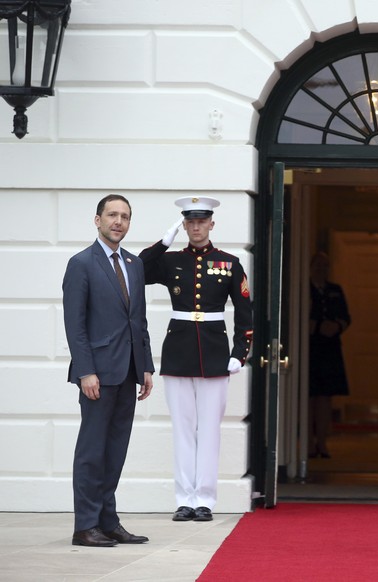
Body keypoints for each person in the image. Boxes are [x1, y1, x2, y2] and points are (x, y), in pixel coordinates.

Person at [140, 196, 253, 523]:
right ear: (184, 225)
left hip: (215, 355)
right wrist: (163, 242)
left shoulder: (229, 263)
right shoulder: (171, 260)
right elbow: (138, 269)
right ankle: (184, 499)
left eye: (201, 221)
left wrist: (238, 354)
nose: (196, 227)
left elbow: (245, 315)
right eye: (190, 222)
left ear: (211, 224)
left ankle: (204, 499)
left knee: (209, 432)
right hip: (178, 353)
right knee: (183, 430)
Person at [63, 194, 154, 547]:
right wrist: (86, 371)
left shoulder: (134, 264)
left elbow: (138, 320)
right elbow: (76, 324)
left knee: (115, 450)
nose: (118, 221)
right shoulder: (81, 263)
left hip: (129, 371)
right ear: (97, 220)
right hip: (97, 374)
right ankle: (85, 525)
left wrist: (145, 366)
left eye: (125, 216)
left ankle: (107, 521)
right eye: (112, 215)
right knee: (92, 450)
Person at [308, 251, 351, 459]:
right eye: (318, 265)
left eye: (325, 266)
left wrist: (336, 326)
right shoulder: (304, 288)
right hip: (310, 348)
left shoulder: (335, 290)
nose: (321, 269)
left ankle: (322, 443)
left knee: (325, 398)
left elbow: (346, 317)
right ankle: (308, 444)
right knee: (308, 397)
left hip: (330, 348)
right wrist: (316, 327)